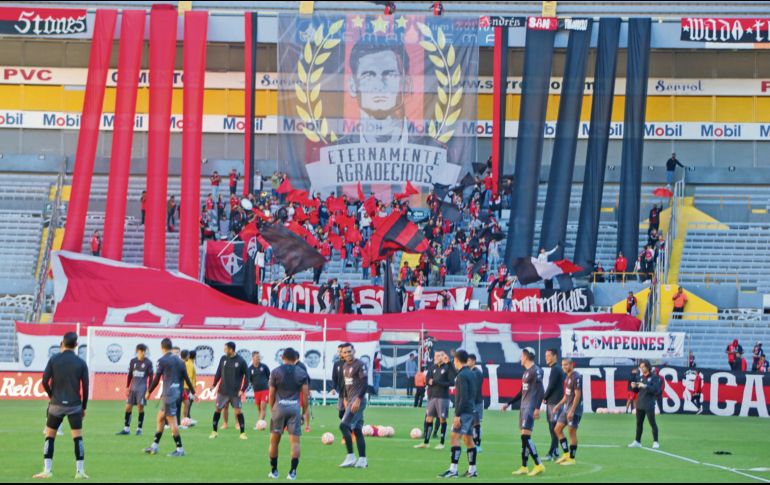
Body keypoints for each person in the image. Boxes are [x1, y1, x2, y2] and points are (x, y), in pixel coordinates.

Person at [34, 332, 89, 479]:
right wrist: (84, 407)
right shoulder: (81, 363)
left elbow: (44, 381)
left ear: (62, 343)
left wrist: (51, 395)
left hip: (56, 405)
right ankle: (80, 471)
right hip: (74, 405)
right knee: (78, 438)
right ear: (76, 345)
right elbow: (86, 387)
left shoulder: (54, 359)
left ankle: (47, 470)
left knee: (50, 436)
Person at [143, 338, 196, 457]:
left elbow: (157, 379)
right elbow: (186, 378)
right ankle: (154, 446)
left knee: (172, 422)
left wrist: (149, 391)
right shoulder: (180, 361)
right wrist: (193, 392)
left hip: (169, 395)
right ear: (171, 347)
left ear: (162, 348)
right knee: (160, 417)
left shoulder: (162, 360)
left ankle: (180, 449)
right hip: (178, 393)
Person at [502, 348, 545, 477]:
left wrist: (537, 408)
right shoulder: (526, 372)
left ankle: (538, 464)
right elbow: (522, 392)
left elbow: (541, 390)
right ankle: (524, 466)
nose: (520, 358)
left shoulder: (536, 371)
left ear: (526, 357)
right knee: (524, 439)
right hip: (523, 407)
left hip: (530, 408)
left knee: (525, 437)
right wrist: (509, 403)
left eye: (521, 356)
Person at [267, 348, 309, 481]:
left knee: (274, 442)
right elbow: (305, 395)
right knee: (295, 443)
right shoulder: (302, 372)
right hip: (294, 409)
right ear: (296, 359)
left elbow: (271, 394)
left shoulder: (275, 371)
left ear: (282, 358)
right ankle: (292, 473)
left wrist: (272, 409)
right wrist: (303, 412)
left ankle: (274, 471)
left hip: (279, 408)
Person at [438, 350, 478, 479]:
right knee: (468, 440)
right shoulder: (471, 373)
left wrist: (457, 415)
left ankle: (453, 470)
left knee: (454, 438)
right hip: (471, 410)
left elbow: (463, 397)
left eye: (454, 360)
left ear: (457, 360)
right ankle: (472, 470)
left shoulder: (462, 375)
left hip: (464, 412)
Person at [210, 342, 249, 440]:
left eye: (226, 348)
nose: (224, 350)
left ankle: (242, 433)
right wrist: (214, 384)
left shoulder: (241, 361)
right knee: (217, 409)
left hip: (235, 392)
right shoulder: (223, 359)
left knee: (238, 411)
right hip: (222, 391)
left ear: (231, 350)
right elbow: (218, 372)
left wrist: (242, 390)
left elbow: (247, 377)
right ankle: (214, 432)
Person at [338, 343, 369, 469]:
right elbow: (347, 385)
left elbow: (365, 384)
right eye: (345, 352)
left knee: (343, 425)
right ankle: (362, 460)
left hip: (357, 401)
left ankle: (350, 456)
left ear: (354, 351)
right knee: (356, 429)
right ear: (342, 354)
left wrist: (358, 399)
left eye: (349, 351)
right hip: (350, 400)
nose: (347, 354)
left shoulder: (360, 364)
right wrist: (345, 398)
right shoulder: (345, 366)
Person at [415, 351, 451, 450]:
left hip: (442, 397)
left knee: (442, 419)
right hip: (432, 397)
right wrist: (431, 381)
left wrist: (435, 381)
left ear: (443, 357)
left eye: (438, 356)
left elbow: (450, 382)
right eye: (435, 356)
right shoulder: (432, 367)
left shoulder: (447, 368)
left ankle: (442, 443)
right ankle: (426, 442)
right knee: (428, 418)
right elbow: (427, 380)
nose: (436, 357)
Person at [116, 344, 153, 436]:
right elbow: (130, 375)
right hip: (132, 388)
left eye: (144, 351)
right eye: (141, 351)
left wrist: (149, 391)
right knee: (128, 407)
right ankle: (126, 429)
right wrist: (127, 387)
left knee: (140, 408)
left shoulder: (148, 363)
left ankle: (139, 429)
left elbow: (151, 377)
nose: (143, 353)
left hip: (142, 389)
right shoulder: (133, 361)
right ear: (137, 352)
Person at [553, 358, 582, 466]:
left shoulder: (576, 377)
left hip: (574, 409)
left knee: (571, 432)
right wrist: (558, 405)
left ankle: (572, 458)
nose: (563, 367)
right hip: (567, 408)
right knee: (557, 429)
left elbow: (577, 395)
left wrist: (572, 411)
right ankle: (566, 454)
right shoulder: (567, 377)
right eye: (562, 365)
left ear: (571, 365)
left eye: (566, 365)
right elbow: (566, 395)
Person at [628, 360, 661, 450]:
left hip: (649, 404)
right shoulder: (640, 377)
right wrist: (633, 387)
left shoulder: (654, 377)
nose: (642, 369)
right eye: (641, 367)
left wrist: (645, 386)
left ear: (648, 367)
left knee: (652, 423)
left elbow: (656, 390)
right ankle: (637, 441)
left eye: (643, 367)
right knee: (639, 423)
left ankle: (656, 442)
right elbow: (637, 391)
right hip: (640, 404)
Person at [542, 349, 565, 462]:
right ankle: (555, 451)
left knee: (554, 428)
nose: (546, 358)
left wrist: (544, 397)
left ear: (555, 356)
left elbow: (551, 386)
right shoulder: (556, 369)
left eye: (548, 355)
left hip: (555, 403)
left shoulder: (556, 369)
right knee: (553, 428)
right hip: (553, 402)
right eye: (545, 355)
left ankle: (551, 453)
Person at [249, 351, 271, 428]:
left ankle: (259, 424)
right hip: (256, 391)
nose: (258, 358)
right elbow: (250, 380)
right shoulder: (250, 369)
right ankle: (261, 424)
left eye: (259, 357)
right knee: (259, 409)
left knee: (263, 407)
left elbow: (269, 376)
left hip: (265, 390)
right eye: (257, 357)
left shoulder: (264, 366)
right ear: (253, 358)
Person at [467, 354, 484, 452]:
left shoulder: (477, 373)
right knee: (471, 423)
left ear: (473, 361)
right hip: (472, 402)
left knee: (476, 423)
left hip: (476, 402)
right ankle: (472, 444)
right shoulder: (471, 372)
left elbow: (475, 389)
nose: (467, 362)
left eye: (468, 360)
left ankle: (477, 444)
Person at [331, 345, 347, 421]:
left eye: (341, 351)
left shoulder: (351, 363)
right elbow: (334, 377)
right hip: (341, 392)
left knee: (349, 412)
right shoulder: (336, 364)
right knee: (341, 413)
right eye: (338, 351)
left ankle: (348, 425)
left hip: (351, 392)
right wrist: (333, 388)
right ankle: (346, 424)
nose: (339, 353)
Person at [182, 350, 197, 426]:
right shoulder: (190, 364)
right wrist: (192, 390)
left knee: (188, 404)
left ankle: (188, 419)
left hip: (186, 387)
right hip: (187, 387)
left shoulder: (188, 363)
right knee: (187, 404)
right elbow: (189, 377)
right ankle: (186, 420)